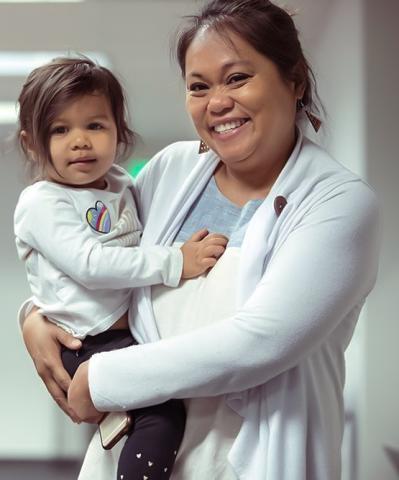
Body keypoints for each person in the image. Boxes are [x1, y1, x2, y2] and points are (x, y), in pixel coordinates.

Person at [20, 1, 380, 479]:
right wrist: (32, 316)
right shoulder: (171, 170)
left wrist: (101, 378)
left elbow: (261, 343)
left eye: (236, 78)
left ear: (294, 81)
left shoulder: (338, 202)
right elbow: (104, 257)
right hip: (135, 452)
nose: (217, 102)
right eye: (198, 86)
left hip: (250, 460)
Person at [14, 57, 228, 480]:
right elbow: (91, 265)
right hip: (86, 343)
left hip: (126, 335)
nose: (80, 141)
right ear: (31, 143)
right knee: (161, 419)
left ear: (119, 131)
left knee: (162, 416)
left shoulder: (122, 185)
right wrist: (175, 262)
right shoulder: (42, 202)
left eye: (95, 125)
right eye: (60, 130)